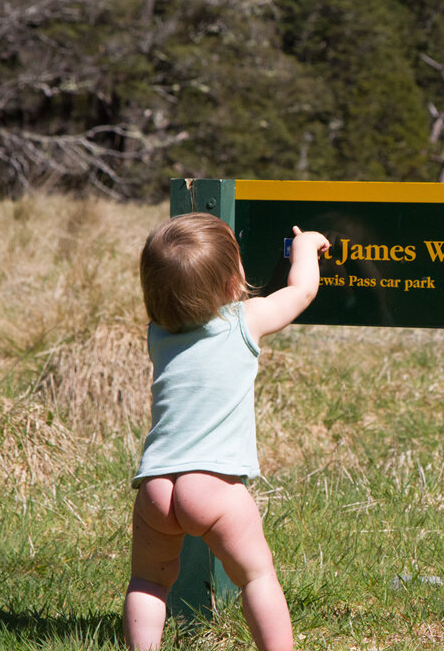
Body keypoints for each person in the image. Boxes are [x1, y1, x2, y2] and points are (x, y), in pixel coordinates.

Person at [124, 212, 329, 651]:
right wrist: (308, 246)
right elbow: (302, 290)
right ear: (234, 284)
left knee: (147, 582)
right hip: (212, 486)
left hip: (157, 485)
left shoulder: (157, 334)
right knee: (256, 576)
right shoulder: (243, 321)